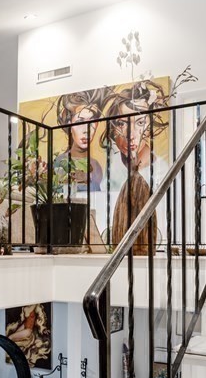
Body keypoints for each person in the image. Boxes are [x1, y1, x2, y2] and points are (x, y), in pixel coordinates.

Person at [102, 81, 170, 252]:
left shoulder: (161, 169)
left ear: (150, 126)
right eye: (121, 124)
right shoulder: (110, 171)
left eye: (140, 123)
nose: (130, 135)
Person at [52, 89, 106, 195]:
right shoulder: (60, 162)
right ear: (69, 124)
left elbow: (97, 197)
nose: (86, 130)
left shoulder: (96, 165)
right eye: (80, 122)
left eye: (92, 122)